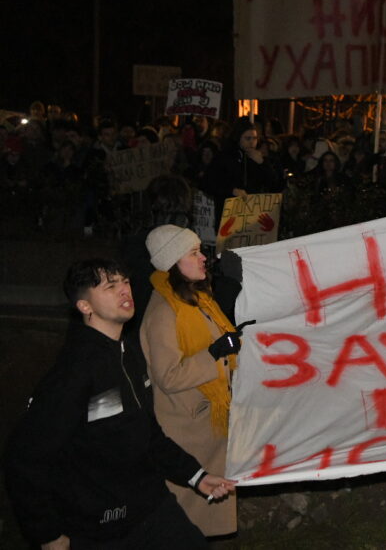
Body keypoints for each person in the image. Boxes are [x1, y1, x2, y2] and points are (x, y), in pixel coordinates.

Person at [4, 259, 234, 549]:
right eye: (110, 287)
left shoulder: (130, 354)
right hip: (100, 528)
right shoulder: (74, 372)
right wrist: (47, 533)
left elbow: (146, 432)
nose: (125, 290)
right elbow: (24, 456)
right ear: (85, 306)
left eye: (124, 282)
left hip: (153, 508)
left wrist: (195, 475)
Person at [141, 226, 240, 537]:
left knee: (198, 523)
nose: (203, 258)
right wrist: (213, 354)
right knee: (185, 522)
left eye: (201, 250)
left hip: (204, 426)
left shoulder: (196, 299)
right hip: (189, 430)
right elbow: (168, 375)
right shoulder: (164, 311)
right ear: (173, 263)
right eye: (194, 253)